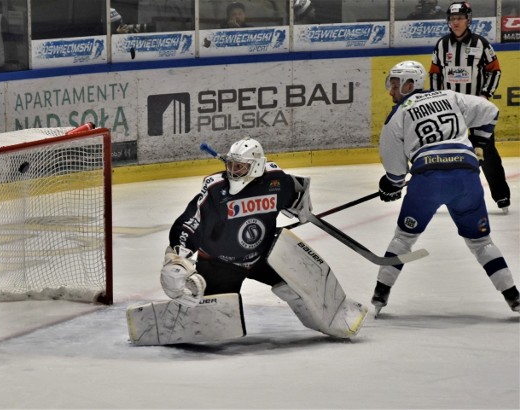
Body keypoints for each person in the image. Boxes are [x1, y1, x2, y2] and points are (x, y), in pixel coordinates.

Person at [155, 138, 367, 341]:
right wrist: (177, 255)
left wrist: (301, 205)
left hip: (265, 256)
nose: (233, 171)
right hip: (219, 264)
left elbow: (297, 188)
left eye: (240, 167)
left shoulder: (276, 181)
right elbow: (189, 222)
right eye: (231, 165)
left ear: (256, 167)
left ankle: (338, 315)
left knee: (304, 285)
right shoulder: (216, 190)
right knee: (211, 323)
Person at [371, 60, 519, 317]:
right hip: (466, 176)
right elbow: (490, 110)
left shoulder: (396, 117)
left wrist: (390, 187)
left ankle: (380, 294)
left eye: (395, 85)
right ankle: (514, 297)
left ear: (410, 84)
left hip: (427, 180)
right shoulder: (449, 96)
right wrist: (480, 143)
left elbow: (396, 175)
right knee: (481, 241)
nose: (391, 91)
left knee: (404, 237)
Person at [429, 1, 511, 214]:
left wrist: (485, 95)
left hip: (477, 110)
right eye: (452, 19)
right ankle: (442, 196)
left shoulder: (481, 43)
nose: (455, 23)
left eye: (459, 18)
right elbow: (435, 74)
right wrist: (438, 101)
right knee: (446, 153)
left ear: (468, 20)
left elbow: (495, 70)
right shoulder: (441, 45)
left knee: (486, 153)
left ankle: (501, 196)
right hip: (450, 111)